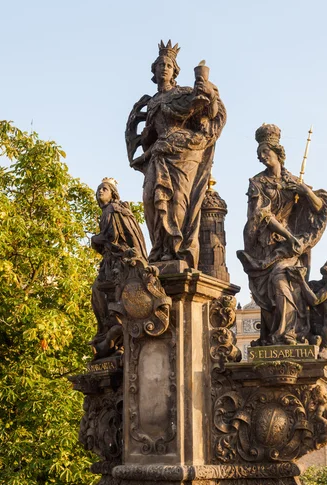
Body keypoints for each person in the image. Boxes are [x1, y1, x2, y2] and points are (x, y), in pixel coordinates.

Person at [126, 40, 226, 268]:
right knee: (151, 201)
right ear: (154, 70)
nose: (164, 68)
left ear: (175, 71)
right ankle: (160, 250)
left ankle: (178, 253)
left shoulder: (184, 94)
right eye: (160, 64)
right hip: (159, 154)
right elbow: (147, 138)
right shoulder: (151, 103)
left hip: (184, 154)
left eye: (168, 65)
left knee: (178, 201)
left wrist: (208, 93)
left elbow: (209, 114)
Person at [237, 124, 327, 345]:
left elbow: (320, 207)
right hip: (267, 245)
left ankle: (288, 334)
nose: (261, 157)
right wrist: (289, 237)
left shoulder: (292, 180)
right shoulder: (257, 183)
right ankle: (279, 335)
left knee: (284, 280)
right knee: (274, 286)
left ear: (278, 153)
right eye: (259, 153)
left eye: (265, 152)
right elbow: (263, 215)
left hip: (291, 248)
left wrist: (305, 192)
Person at [90, 178, 147, 358]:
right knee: (99, 295)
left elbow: (115, 237)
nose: (100, 192)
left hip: (118, 263)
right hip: (110, 262)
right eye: (98, 189)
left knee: (111, 298)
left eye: (104, 189)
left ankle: (116, 339)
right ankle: (108, 336)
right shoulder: (109, 211)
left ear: (113, 193)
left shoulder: (114, 210)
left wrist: (96, 239)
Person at [291, 257, 327, 359]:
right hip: (316, 323)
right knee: (300, 294)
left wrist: (301, 281)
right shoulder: (314, 284)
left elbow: (315, 300)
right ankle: (306, 334)